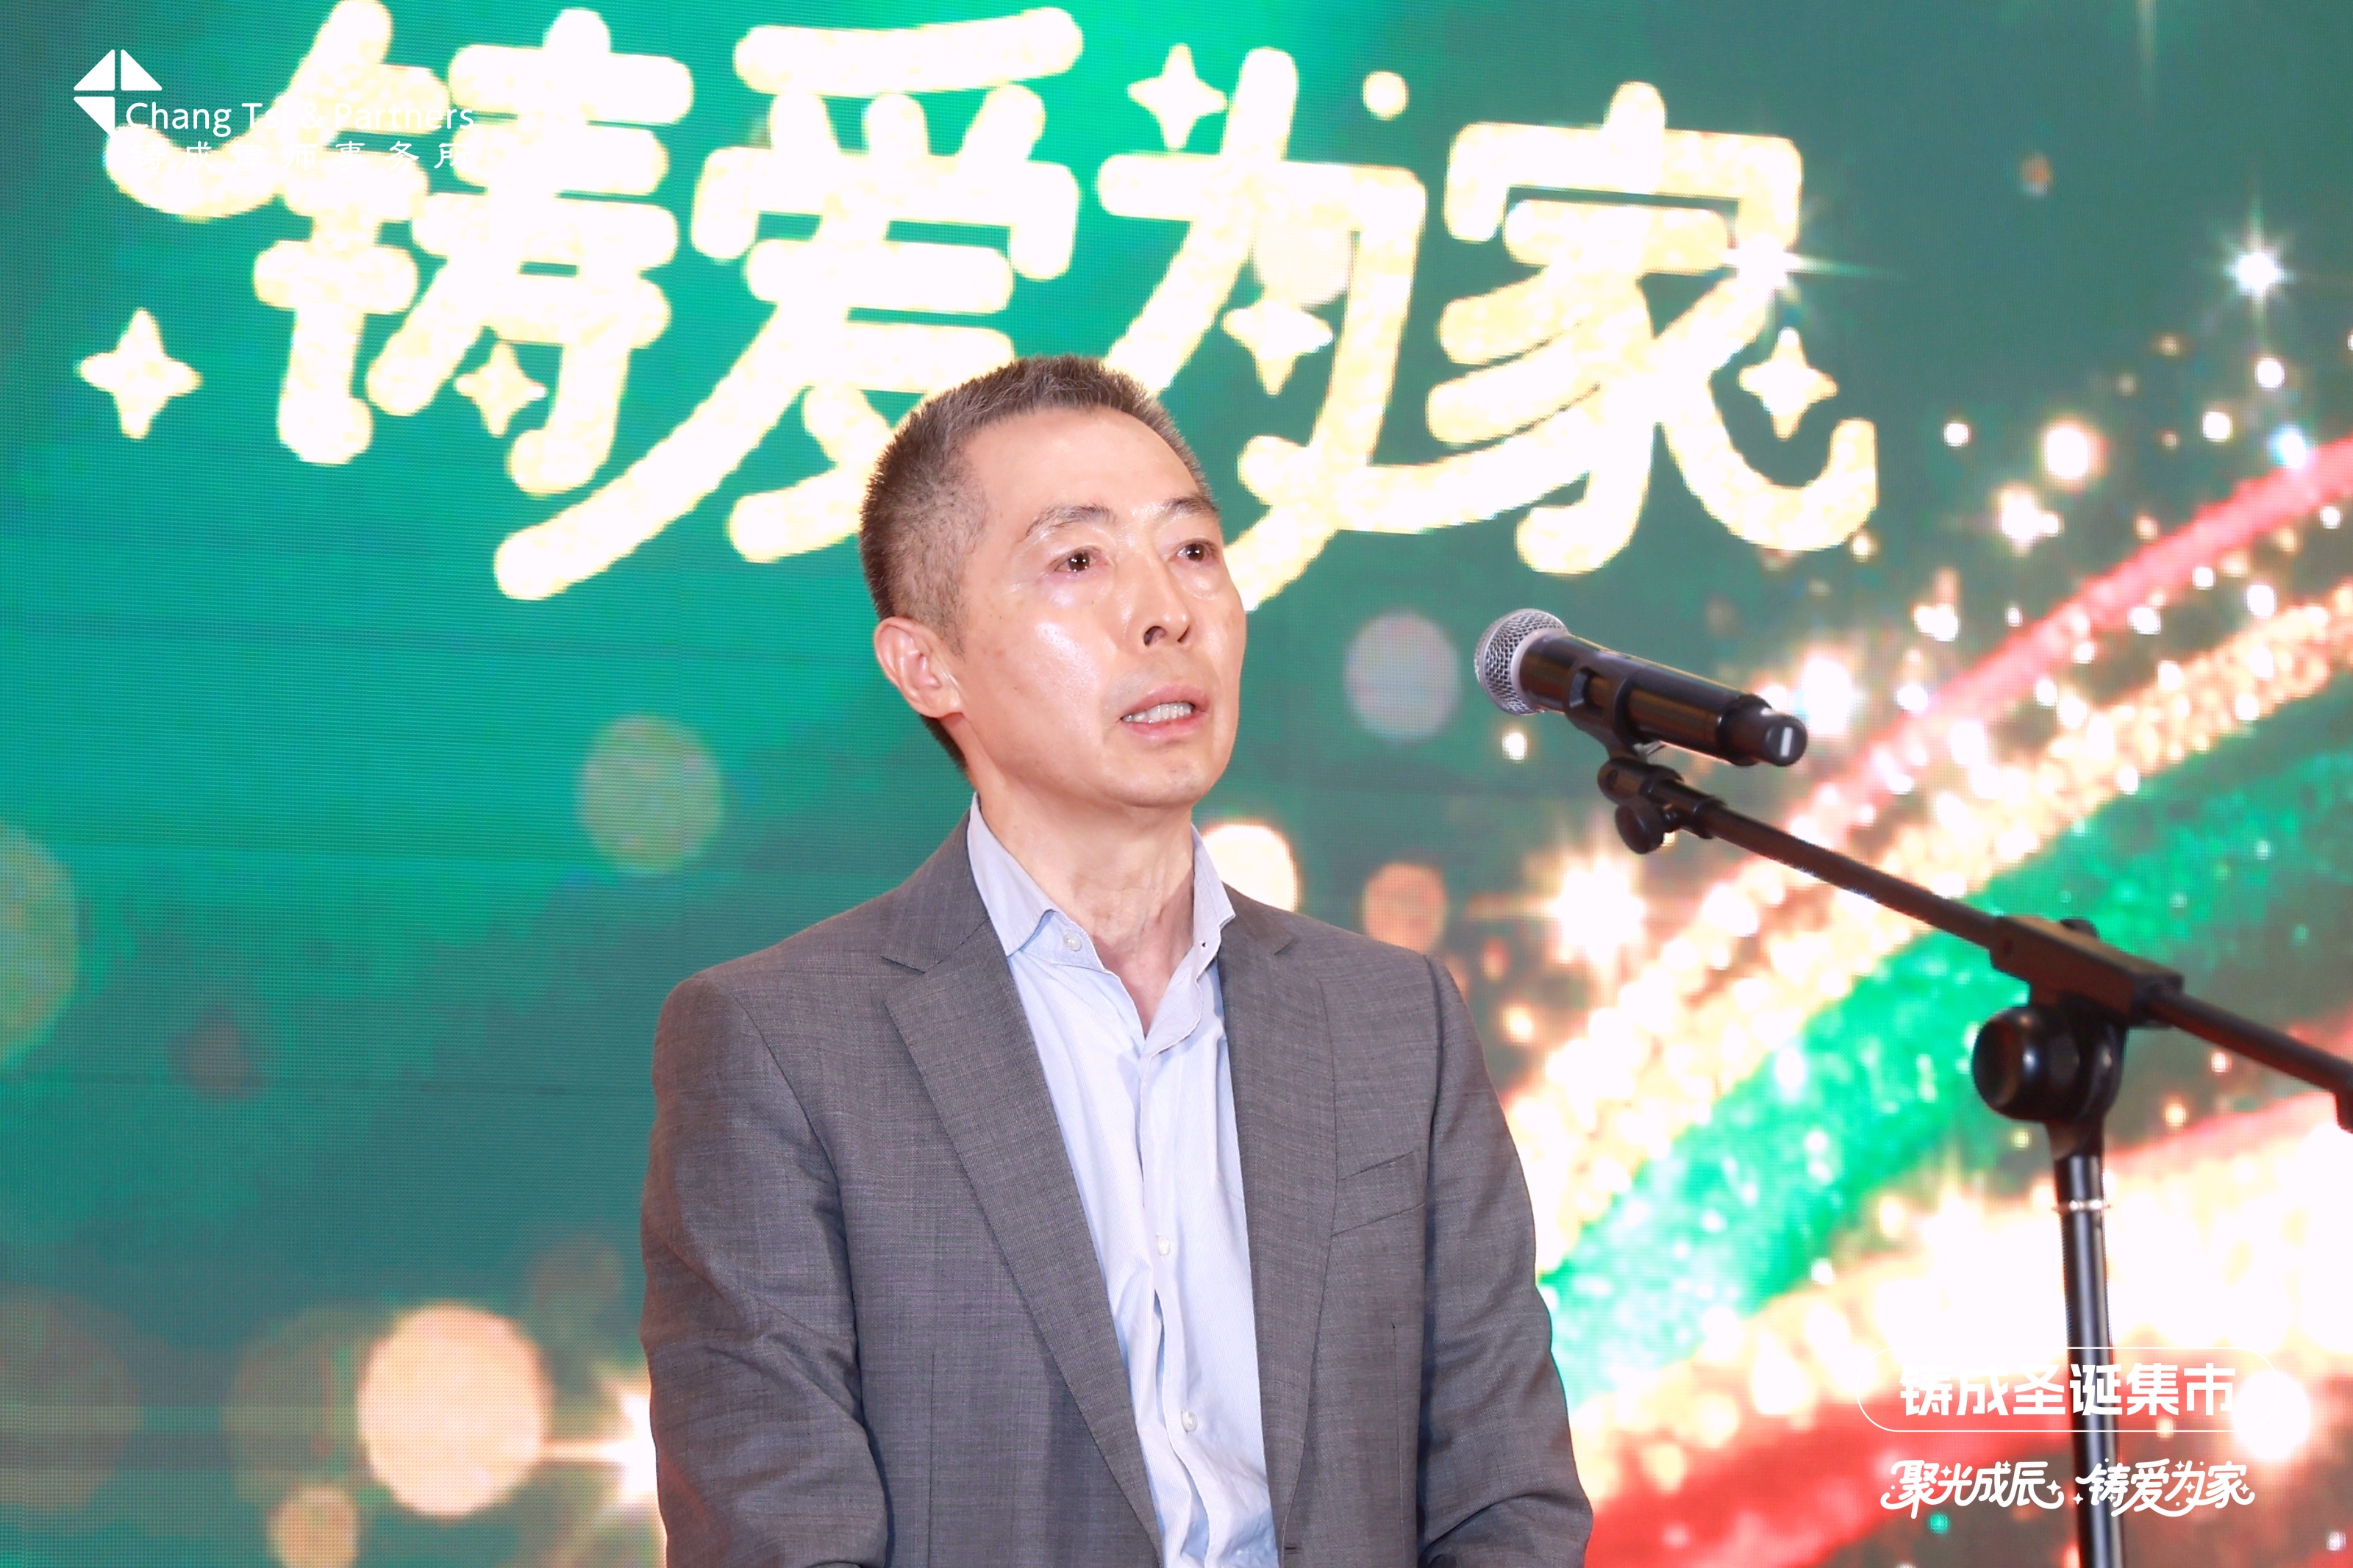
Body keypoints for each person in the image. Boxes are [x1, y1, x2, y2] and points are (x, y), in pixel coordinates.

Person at [639, 355, 1591, 1567]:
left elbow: (1505, 1497)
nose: (1166, 612)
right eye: (1079, 561)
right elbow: (782, 1534)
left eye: (1192, 550)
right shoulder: (780, 1047)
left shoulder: (1392, 1020)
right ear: (927, 664)